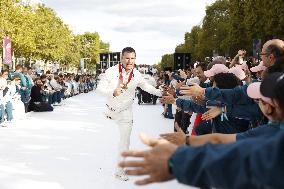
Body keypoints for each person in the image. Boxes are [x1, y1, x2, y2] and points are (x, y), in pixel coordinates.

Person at [119, 72, 284, 189]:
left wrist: (174, 160)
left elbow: (225, 148)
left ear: (269, 107)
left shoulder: (268, 134)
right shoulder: (267, 128)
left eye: (259, 100)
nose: (257, 102)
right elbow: (199, 107)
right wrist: (176, 100)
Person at [97, 47, 162, 181]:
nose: (129, 61)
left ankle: (119, 171)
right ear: (121, 58)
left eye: (132, 58)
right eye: (127, 58)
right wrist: (113, 92)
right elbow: (99, 89)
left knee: (124, 142)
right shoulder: (111, 71)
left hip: (126, 111)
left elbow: (147, 87)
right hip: (111, 109)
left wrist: (162, 93)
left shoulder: (137, 74)